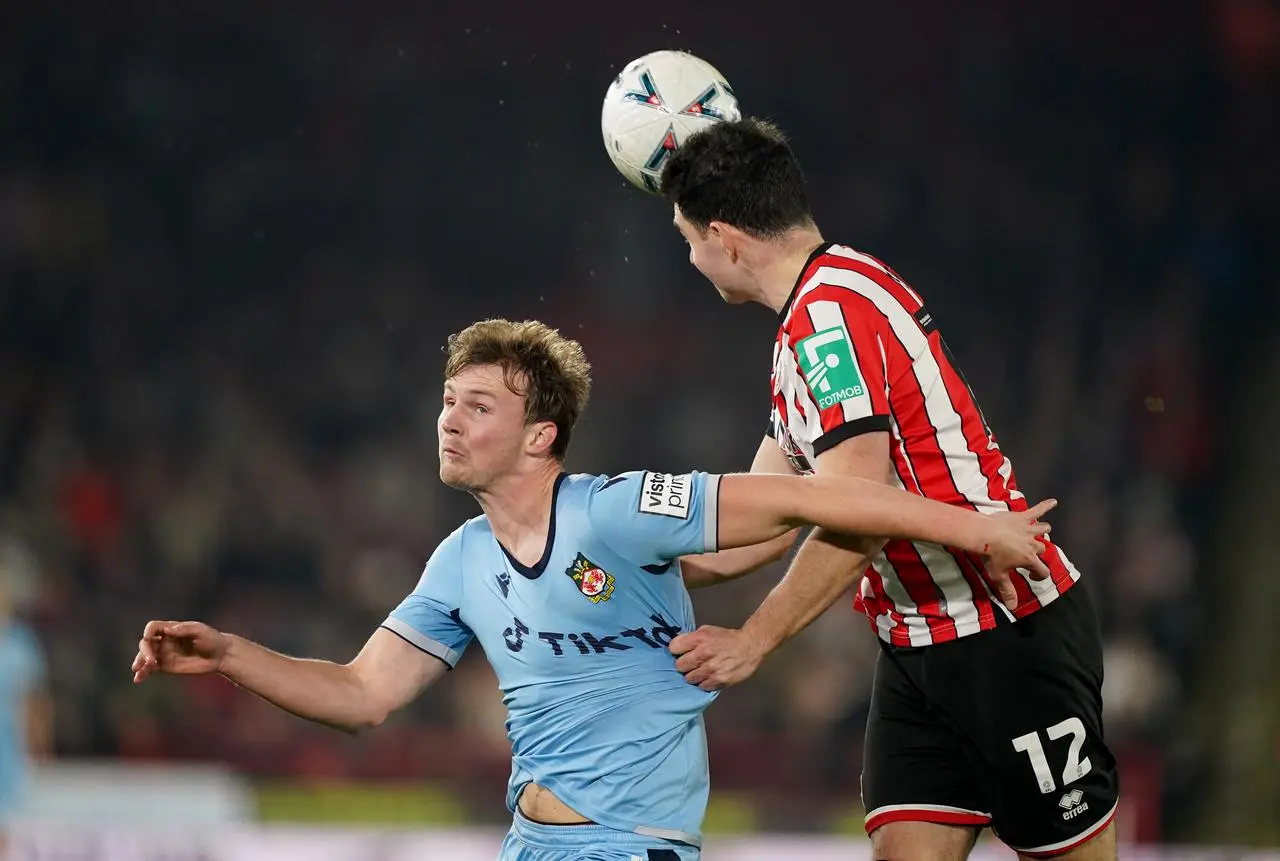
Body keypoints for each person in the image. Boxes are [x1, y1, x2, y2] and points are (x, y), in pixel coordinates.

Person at [131, 319, 1054, 861]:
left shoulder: (619, 513)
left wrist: (980, 528)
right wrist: (228, 655)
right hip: (528, 845)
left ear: (541, 436)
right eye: (447, 400)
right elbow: (362, 694)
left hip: (632, 846)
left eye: (478, 404)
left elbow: (811, 497)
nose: (448, 418)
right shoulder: (458, 559)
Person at [659, 119, 1118, 861]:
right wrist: (639, 555)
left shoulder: (827, 323)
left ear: (728, 239)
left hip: (1003, 631)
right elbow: (768, 513)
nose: (690, 258)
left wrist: (755, 639)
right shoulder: (814, 313)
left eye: (688, 239)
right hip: (914, 646)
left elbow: (856, 514)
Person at [0, 554, 53, 858]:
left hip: (8, 744)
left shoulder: (21, 644)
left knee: (8, 821)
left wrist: (41, 745)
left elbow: (35, 702)